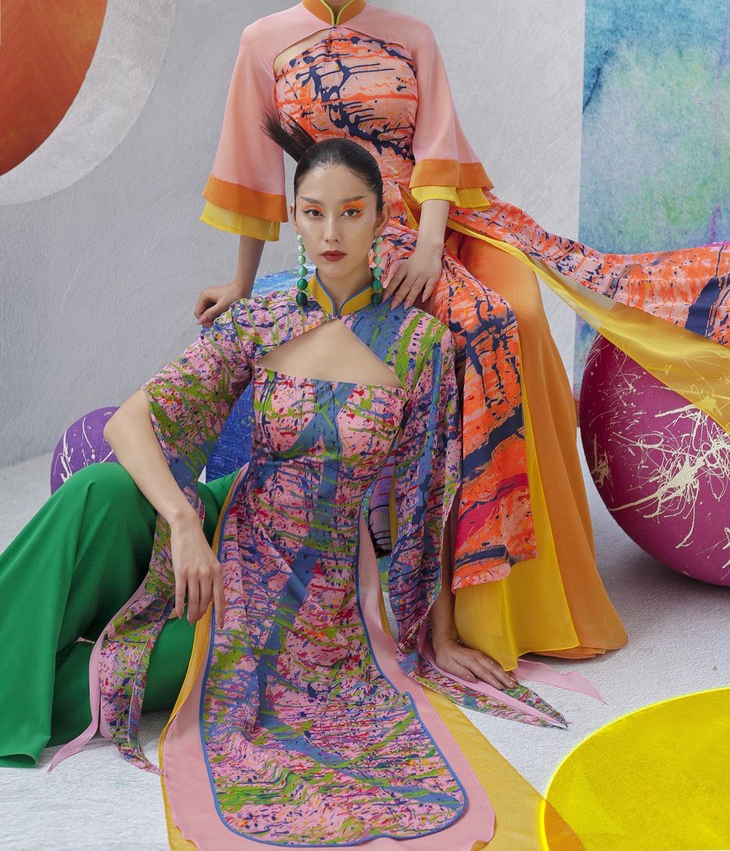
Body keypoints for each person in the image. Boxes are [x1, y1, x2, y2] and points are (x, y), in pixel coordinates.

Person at [195, 0, 730, 672]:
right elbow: (251, 172)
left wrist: (433, 243)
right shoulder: (263, 42)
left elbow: (439, 149)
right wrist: (241, 283)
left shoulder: (411, 35)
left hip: (440, 225)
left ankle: (538, 580)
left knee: (526, 307)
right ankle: (485, 600)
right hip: (353, 234)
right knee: (483, 326)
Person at [0, 137, 575, 848]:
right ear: (295, 218)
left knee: (155, 676)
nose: (331, 232)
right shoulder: (260, 320)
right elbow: (129, 422)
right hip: (229, 522)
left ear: (381, 217)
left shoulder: (421, 344)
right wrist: (183, 522)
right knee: (100, 490)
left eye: (351, 212)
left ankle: (25, 672)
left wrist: (440, 634)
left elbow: (429, 500)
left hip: (320, 597)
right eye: (313, 212)